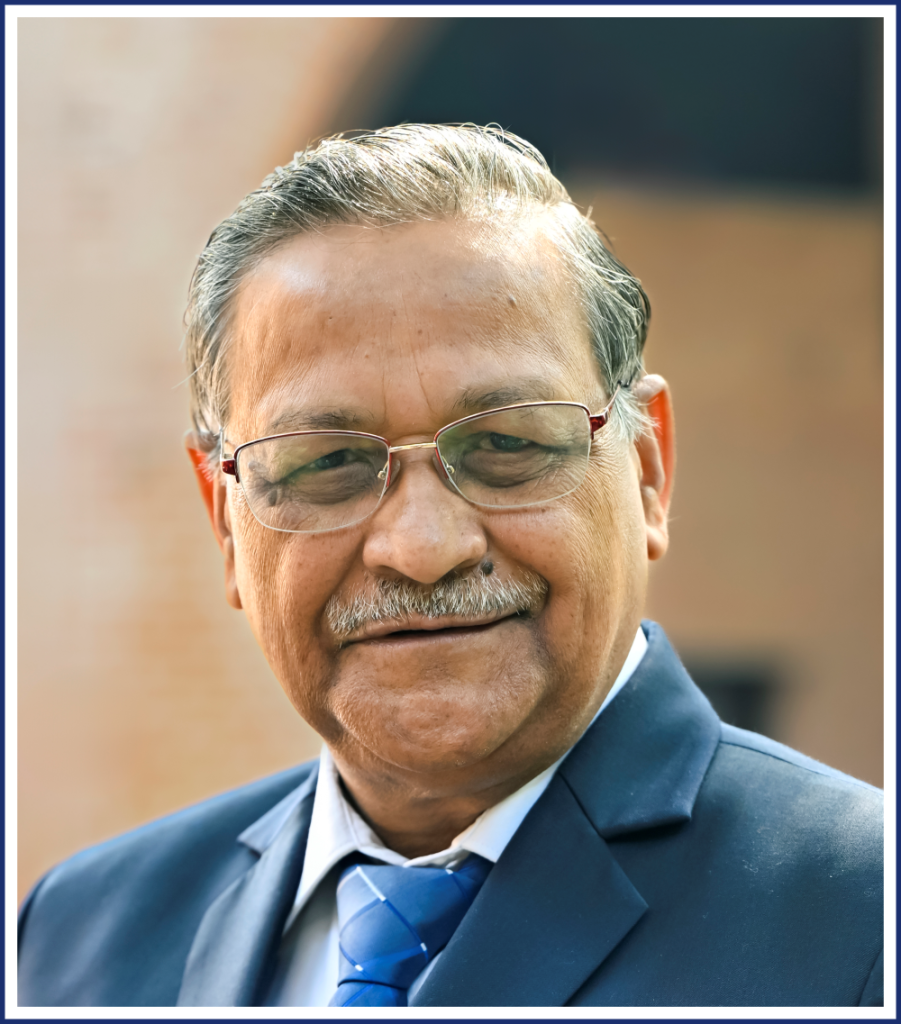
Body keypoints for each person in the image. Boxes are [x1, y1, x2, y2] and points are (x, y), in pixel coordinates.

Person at [17, 125, 883, 1008]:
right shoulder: (79, 939)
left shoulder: (861, 917)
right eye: (326, 462)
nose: (422, 549)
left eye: (507, 443)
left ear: (647, 471)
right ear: (226, 526)